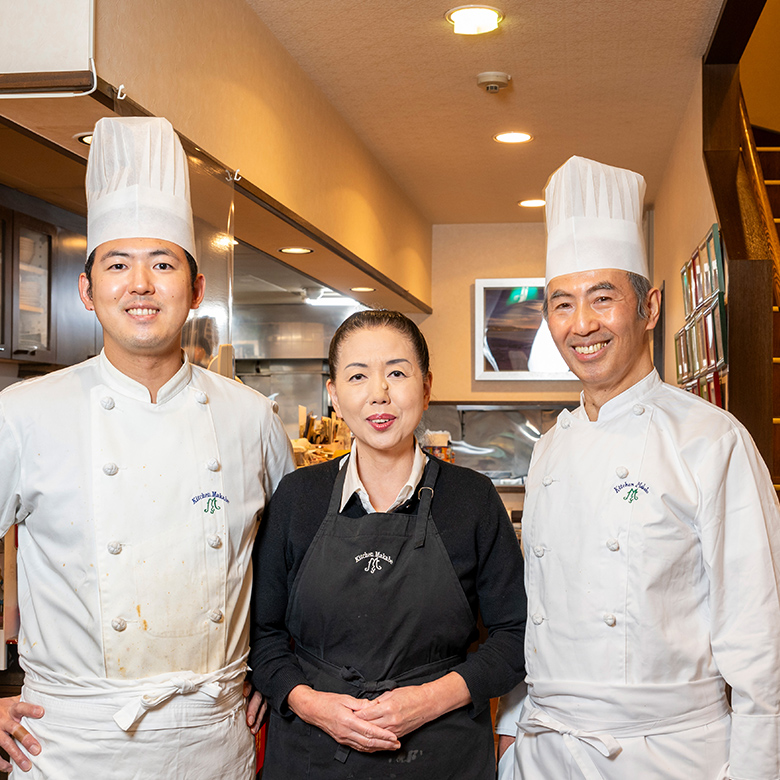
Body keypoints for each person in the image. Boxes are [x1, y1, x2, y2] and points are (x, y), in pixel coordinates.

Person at [0, 116, 294, 778]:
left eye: (162, 264)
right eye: (119, 265)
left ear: (194, 289)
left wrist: (281, 670)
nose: (140, 285)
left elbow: (293, 565)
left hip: (216, 738)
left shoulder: (250, 418)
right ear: (87, 287)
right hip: (71, 744)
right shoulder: (22, 414)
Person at [496, 155, 780, 780]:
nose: (582, 325)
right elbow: (537, 610)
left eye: (603, 298)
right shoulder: (549, 448)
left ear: (649, 307)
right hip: (545, 753)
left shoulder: (712, 441)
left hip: (670, 756)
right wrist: (512, 731)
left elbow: (763, 640)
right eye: (562, 305)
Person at [250, 309, 527, 778]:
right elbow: (262, 635)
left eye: (397, 373)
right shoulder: (299, 497)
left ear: (426, 385)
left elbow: (515, 639)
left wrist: (427, 701)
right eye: (358, 376)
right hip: (312, 754)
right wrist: (313, 705)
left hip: (441, 753)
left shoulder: (472, 499)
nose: (379, 393)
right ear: (334, 395)